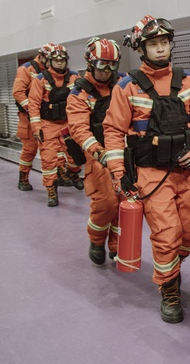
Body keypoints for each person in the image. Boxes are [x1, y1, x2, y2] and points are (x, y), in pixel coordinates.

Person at [103, 15, 190, 323]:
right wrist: (118, 173)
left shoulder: (188, 80)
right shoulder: (127, 87)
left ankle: (172, 267)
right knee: (168, 235)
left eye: (164, 42)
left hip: (187, 169)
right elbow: (113, 132)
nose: (160, 48)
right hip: (151, 174)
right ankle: (169, 289)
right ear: (141, 49)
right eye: (153, 44)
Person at [66, 38, 124, 265]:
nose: (106, 70)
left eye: (112, 65)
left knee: (124, 201)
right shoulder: (79, 94)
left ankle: (117, 246)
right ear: (90, 63)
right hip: (98, 155)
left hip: (124, 152)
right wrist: (99, 153)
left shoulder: (123, 85)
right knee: (106, 203)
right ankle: (97, 240)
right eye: (102, 64)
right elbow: (79, 129)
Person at [28, 44, 81, 206]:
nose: (59, 62)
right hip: (48, 124)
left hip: (68, 123)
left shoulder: (74, 77)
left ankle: (73, 173)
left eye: (62, 60)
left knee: (75, 155)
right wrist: (37, 127)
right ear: (50, 61)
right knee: (49, 160)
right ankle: (51, 189)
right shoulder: (40, 79)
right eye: (56, 60)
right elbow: (34, 104)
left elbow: (81, 100)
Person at [12, 43, 53, 191]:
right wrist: (32, 109)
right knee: (30, 149)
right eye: (50, 60)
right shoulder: (26, 69)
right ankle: (23, 178)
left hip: (47, 117)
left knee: (53, 148)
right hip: (28, 117)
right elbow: (18, 92)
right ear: (42, 57)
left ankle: (58, 176)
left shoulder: (51, 70)